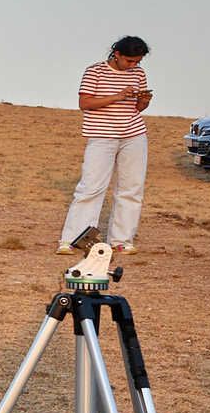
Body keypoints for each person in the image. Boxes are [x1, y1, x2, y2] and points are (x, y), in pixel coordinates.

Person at [58, 36, 153, 255]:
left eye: (137, 62)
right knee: (91, 188)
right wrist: (117, 96)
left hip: (134, 135)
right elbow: (85, 103)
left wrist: (144, 101)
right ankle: (73, 240)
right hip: (102, 136)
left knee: (132, 189)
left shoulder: (138, 73)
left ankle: (121, 240)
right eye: (129, 61)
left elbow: (137, 108)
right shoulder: (95, 71)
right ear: (117, 54)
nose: (133, 65)